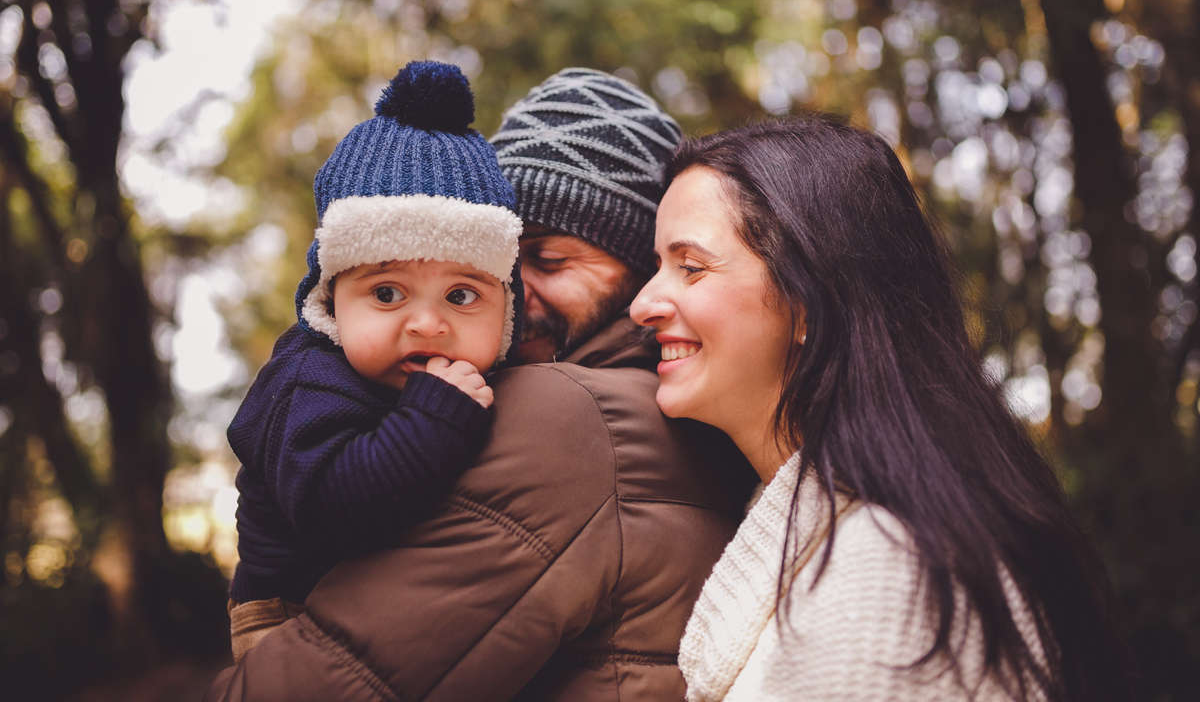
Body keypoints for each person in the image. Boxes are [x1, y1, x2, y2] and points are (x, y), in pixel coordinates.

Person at [204, 68, 755, 702]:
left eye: (548, 260)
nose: (511, 295)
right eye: (492, 267)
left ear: (642, 276)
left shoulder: (571, 414)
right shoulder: (683, 419)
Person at [631, 115, 1132, 701]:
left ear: (808, 299)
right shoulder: (829, 534)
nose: (644, 303)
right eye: (656, 266)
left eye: (691, 267)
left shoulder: (894, 576)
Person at [224, 61, 523, 663]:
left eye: (462, 296)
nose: (428, 323)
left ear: (508, 312)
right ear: (331, 297)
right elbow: (338, 511)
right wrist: (436, 417)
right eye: (387, 293)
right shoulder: (307, 379)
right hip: (290, 618)